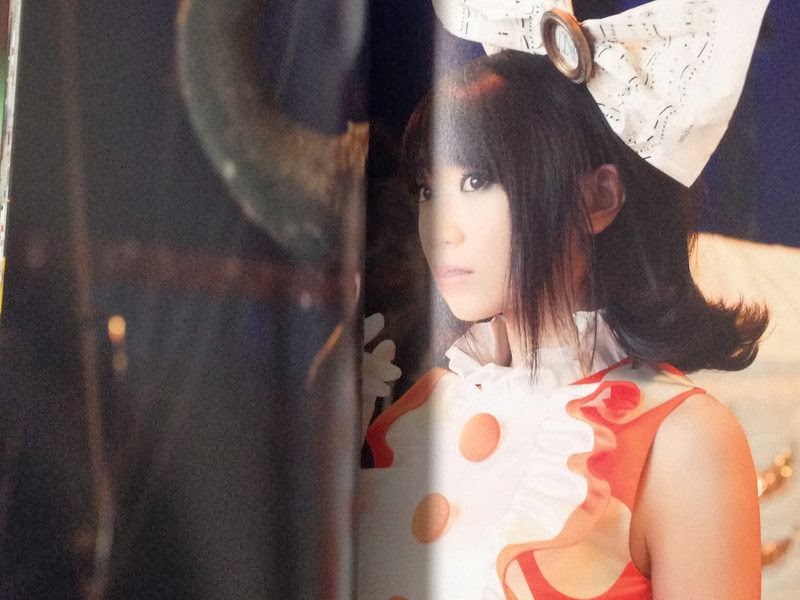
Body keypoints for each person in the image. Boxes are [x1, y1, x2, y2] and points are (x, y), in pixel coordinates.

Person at [359, 3, 769, 599]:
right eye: (427, 189)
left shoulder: (683, 438)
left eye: (476, 181)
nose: (441, 227)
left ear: (598, 198)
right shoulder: (410, 417)